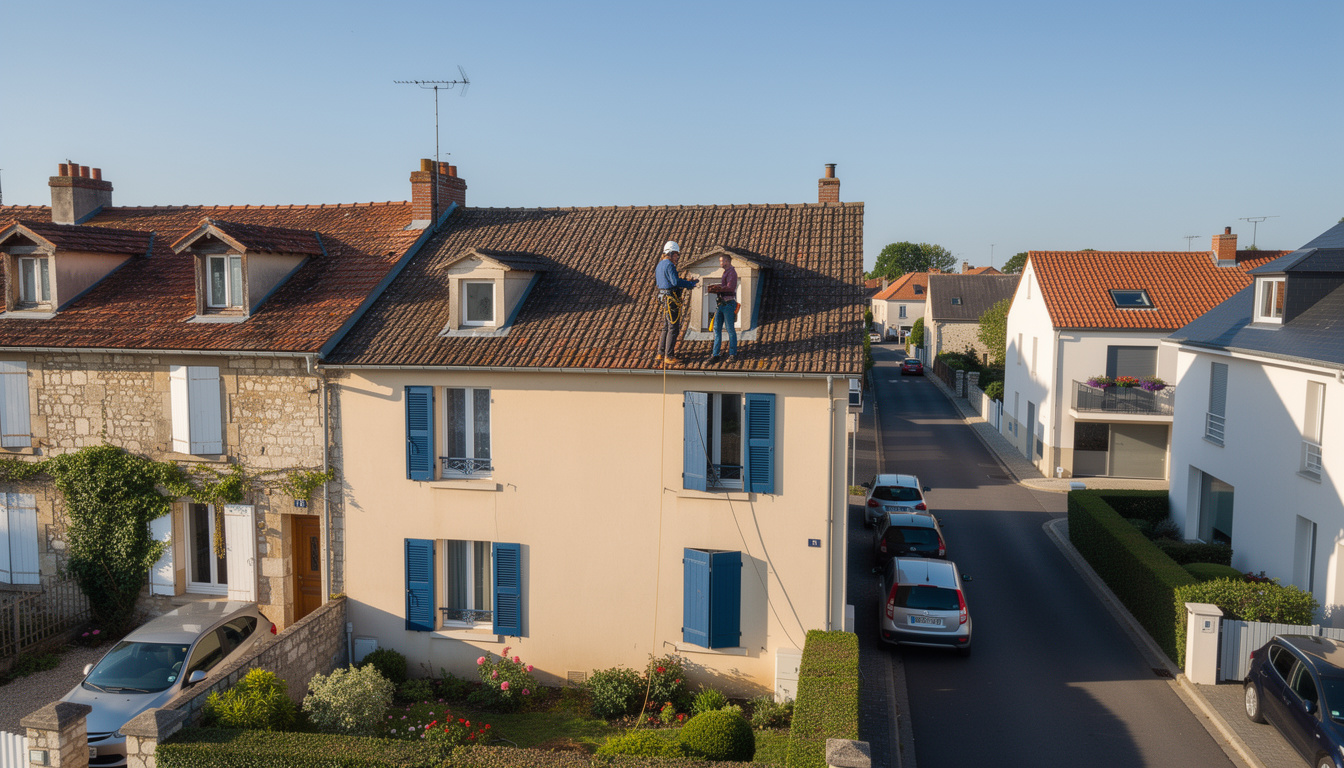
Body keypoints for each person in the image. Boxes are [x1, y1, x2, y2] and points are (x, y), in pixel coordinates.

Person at [655, 241, 697, 365]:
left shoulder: (660, 265)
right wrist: (689, 284)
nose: (677, 257)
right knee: (673, 327)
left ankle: (660, 353)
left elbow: (667, 281)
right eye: (676, 255)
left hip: (663, 297)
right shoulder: (670, 265)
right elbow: (674, 282)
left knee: (666, 327)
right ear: (671, 253)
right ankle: (669, 355)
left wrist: (684, 281)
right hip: (671, 299)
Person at [707, 253, 739, 364]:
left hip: (728, 304)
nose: (721, 263)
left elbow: (730, 288)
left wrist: (718, 289)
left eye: (722, 261)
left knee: (730, 329)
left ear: (728, 261)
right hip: (721, 304)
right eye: (720, 261)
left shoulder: (732, 273)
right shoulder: (726, 273)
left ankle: (732, 353)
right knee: (717, 329)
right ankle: (715, 354)